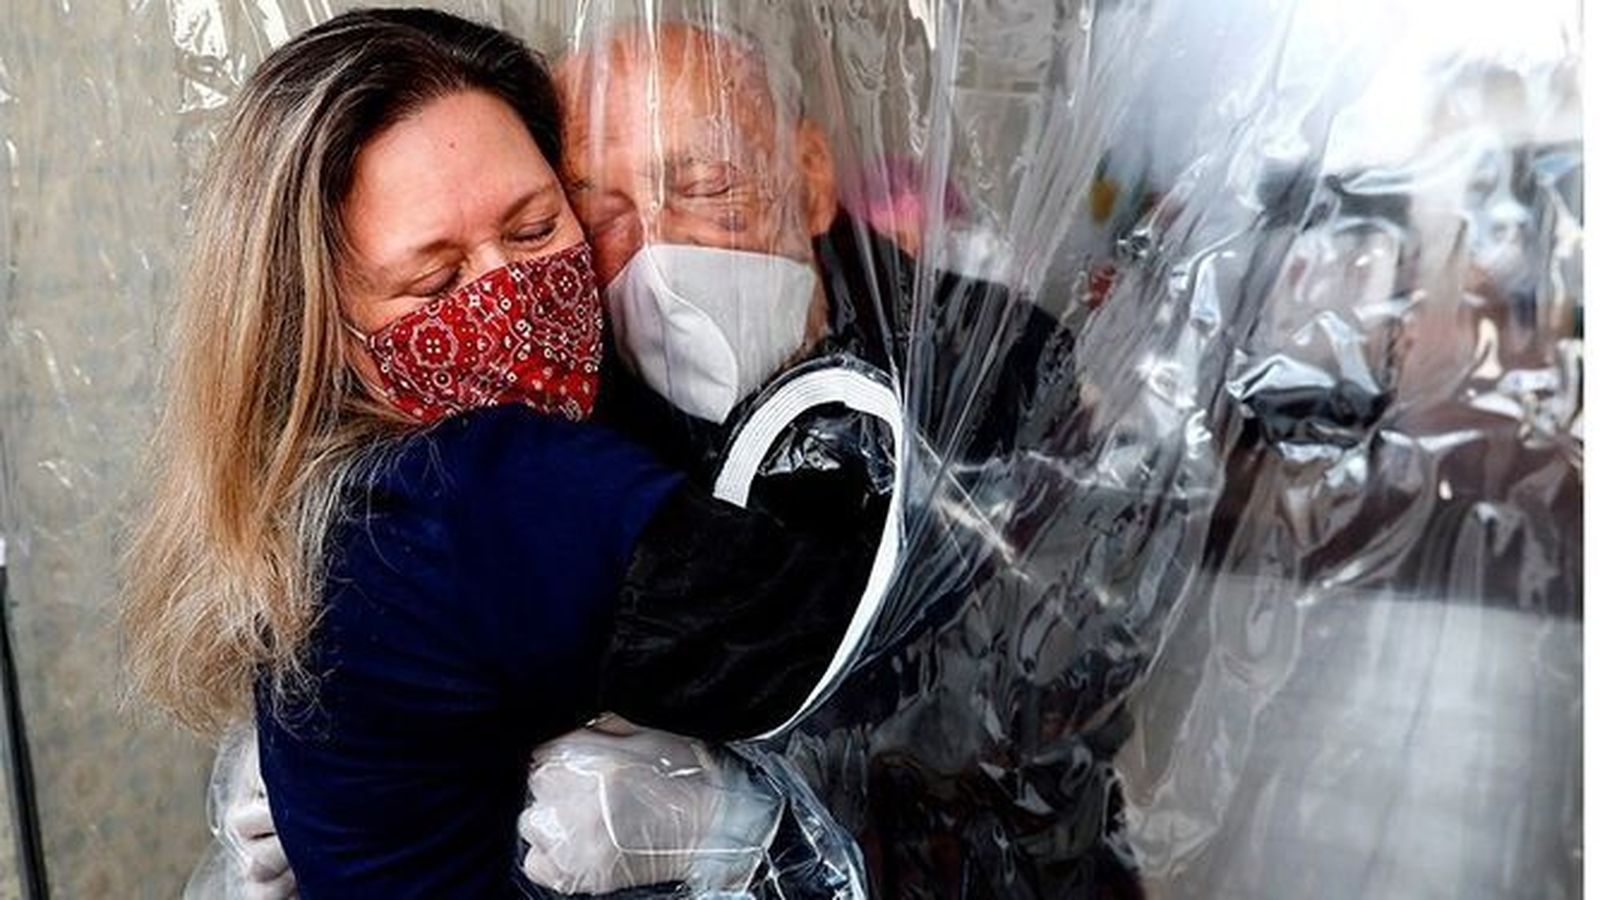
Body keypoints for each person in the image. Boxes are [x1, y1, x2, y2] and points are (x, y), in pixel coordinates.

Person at [120, 10, 882, 899]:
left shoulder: (352, 492)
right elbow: (879, 661)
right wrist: (744, 825)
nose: (509, 300)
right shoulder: (479, 486)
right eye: (435, 283)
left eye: (534, 231)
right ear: (318, 326)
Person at [545, 20, 1142, 900]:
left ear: (812, 177)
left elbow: (1058, 679)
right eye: (599, 210)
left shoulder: (993, 361)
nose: (658, 252)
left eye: (704, 185)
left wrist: (743, 815)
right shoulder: (569, 417)